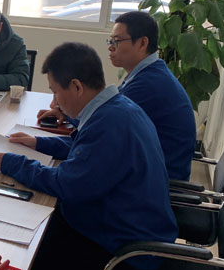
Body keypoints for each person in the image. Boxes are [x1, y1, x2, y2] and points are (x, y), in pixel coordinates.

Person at [0, 43, 177, 270]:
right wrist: (39, 143)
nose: (53, 102)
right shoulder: (116, 108)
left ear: (76, 86)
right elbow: (82, 147)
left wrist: (15, 163)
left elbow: (68, 184)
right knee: (49, 224)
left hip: (130, 250)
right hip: (129, 224)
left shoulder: (110, 124)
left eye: (55, 91)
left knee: (30, 250)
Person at [29, 11, 195, 180]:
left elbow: (99, 126)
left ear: (142, 43)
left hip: (155, 178)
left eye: (117, 41)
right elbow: (102, 119)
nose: (110, 47)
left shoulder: (148, 85)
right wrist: (65, 114)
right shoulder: (148, 73)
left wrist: (66, 115)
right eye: (111, 41)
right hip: (141, 168)